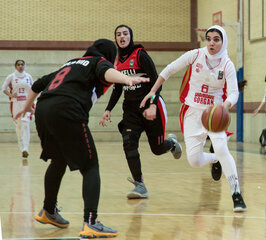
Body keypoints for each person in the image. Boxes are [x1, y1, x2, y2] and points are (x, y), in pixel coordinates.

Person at [14, 39, 149, 238]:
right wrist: (126, 79)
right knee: (90, 166)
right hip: (67, 108)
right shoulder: (98, 61)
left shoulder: (71, 63)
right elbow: (106, 71)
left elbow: (38, 83)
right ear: (109, 55)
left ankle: (48, 210)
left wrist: (27, 107)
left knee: (58, 160)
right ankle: (91, 222)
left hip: (43, 109)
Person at [140, 25, 247, 212]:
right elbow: (170, 69)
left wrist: (225, 106)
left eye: (216, 39)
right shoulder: (196, 55)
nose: (212, 42)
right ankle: (216, 160)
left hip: (214, 113)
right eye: (209, 39)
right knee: (194, 161)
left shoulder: (227, 64)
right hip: (192, 113)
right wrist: (152, 91)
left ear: (223, 42)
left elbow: (233, 93)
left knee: (222, 148)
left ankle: (236, 194)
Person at [99, 25, 182, 199]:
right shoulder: (117, 62)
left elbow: (156, 81)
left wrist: (151, 105)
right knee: (129, 143)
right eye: (118, 34)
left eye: (125, 34)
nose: (122, 37)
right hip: (130, 111)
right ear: (116, 39)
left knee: (157, 149)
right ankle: (140, 185)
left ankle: (172, 144)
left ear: (131, 36)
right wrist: (108, 109)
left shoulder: (140, 55)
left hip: (151, 106)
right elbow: (117, 89)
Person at [2, 60, 33, 158]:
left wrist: (33, 102)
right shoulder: (11, 77)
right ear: (15, 66)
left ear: (24, 65)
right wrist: (11, 95)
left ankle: (26, 148)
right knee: (19, 125)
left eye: (22, 64)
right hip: (15, 103)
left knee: (26, 123)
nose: (20, 66)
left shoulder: (28, 77)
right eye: (18, 65)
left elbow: (33, 89)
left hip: (26, 103)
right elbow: (3, 89)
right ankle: (21, 147)